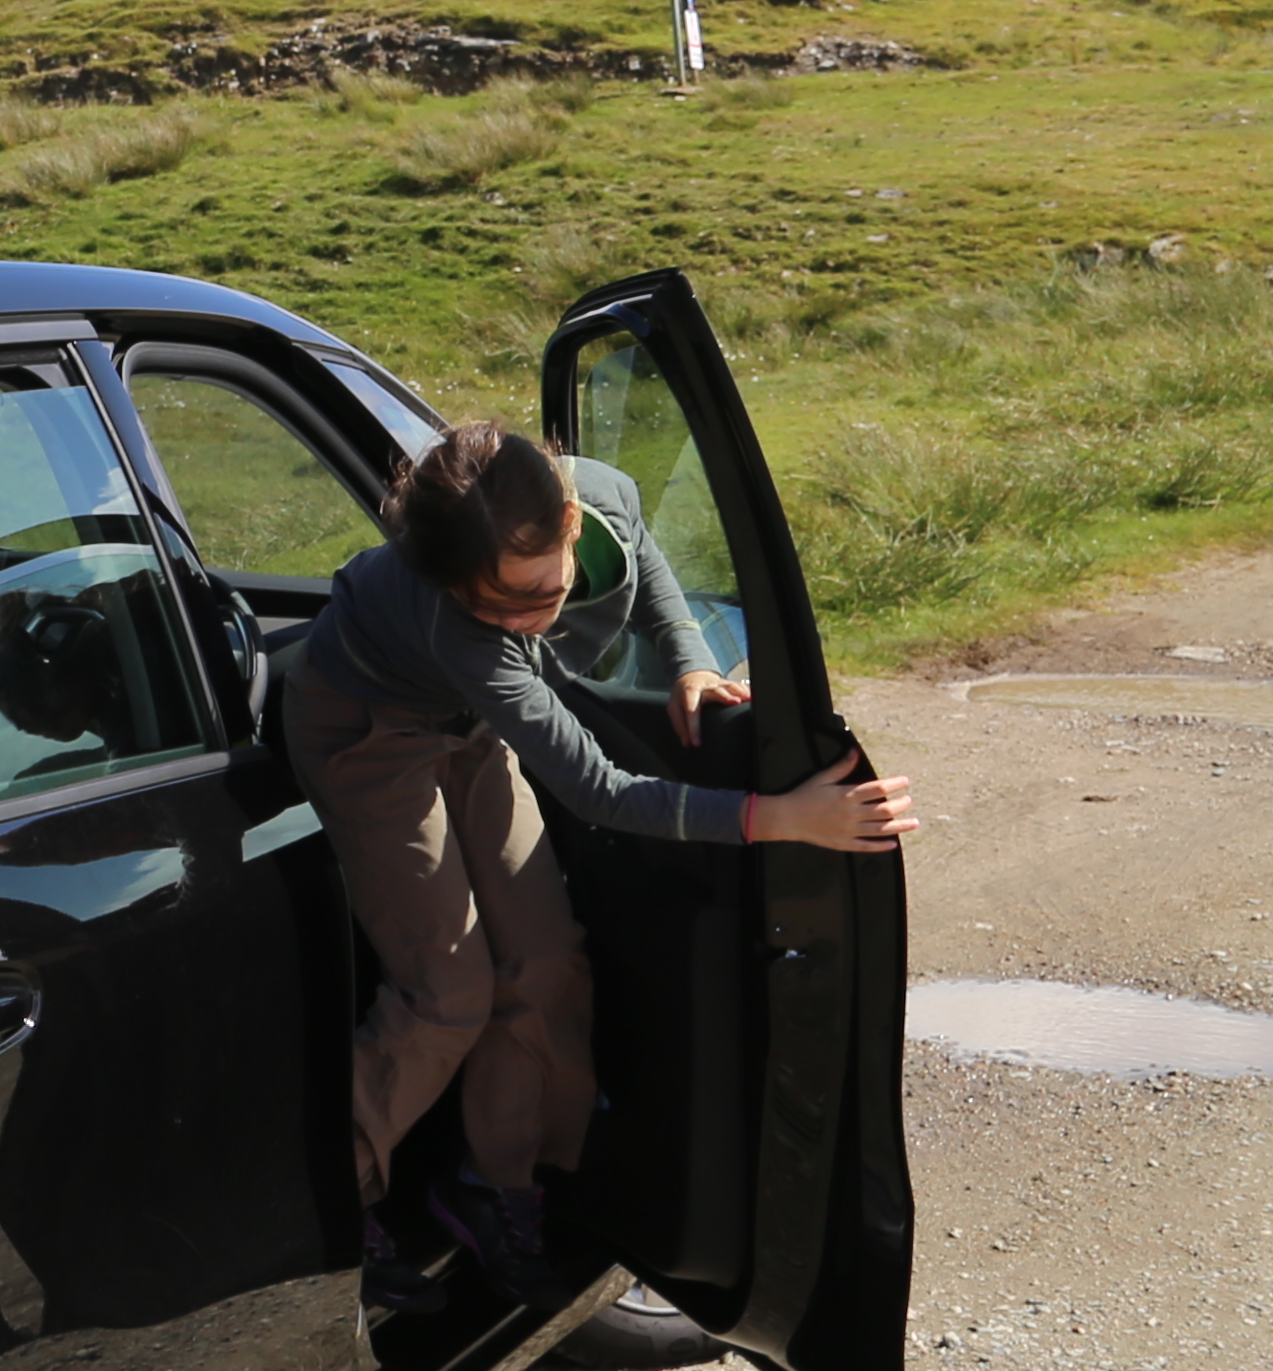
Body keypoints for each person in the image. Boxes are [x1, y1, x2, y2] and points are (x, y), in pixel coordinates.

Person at [288, 415, 910, 1324]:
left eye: (539, 595)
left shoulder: (596, 492)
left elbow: (645, 555)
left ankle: (490, 1185)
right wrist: (778, 819)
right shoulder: (468, 635)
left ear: (570, 519)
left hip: (467, 730)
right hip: (364, 731)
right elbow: (600, 791)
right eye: (497, 604)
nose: (523, 623)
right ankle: (332, 1198)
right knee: (447, 991)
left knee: (544, 959)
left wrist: (690, 661)